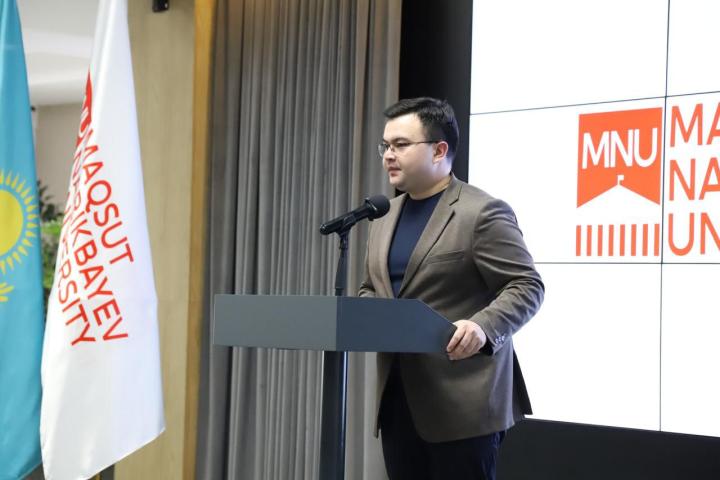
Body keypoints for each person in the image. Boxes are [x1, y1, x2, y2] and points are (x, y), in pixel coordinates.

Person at [358, 97, 544, 480]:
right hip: (398, 402)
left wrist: (483, 326)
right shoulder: (382, 218)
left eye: (401, 145)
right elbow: (370, 289)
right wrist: (366, 311)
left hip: (464, 405)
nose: (388, 155)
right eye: (385, 146)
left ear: (439, 150)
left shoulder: (481, 212)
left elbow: (527, 285)